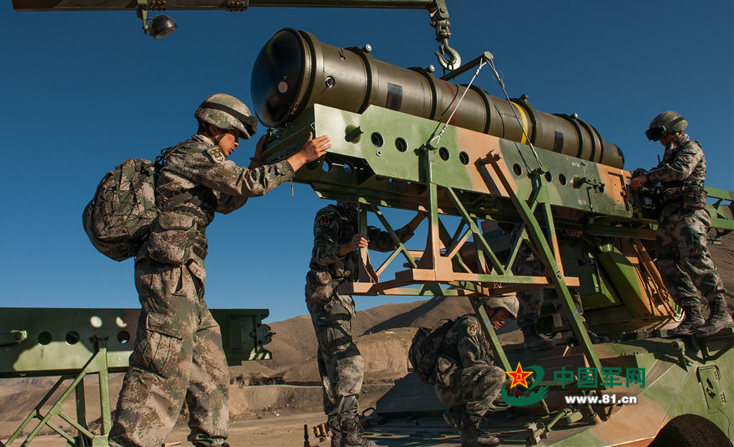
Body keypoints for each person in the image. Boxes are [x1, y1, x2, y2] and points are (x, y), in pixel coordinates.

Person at [109, 93, 331, 447]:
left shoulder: (199, 162)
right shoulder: (193, 152)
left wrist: (257, 160)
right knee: (162, 362)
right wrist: (300, 158)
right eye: (235, 135)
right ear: (215, 126)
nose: (237, 143)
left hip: (186, 279)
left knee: (210, 367)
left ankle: (211, 439)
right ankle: (133, 442)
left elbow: (228, 200)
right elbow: (246, 184)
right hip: (168, 274)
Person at [306, 202, 425, 447]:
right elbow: (320, 252)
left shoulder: (359, 222)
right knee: (349, 362)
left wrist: (420, 217)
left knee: (332, 366)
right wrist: (348, 246)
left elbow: (390, 241)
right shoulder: (331, 215)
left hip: (341, 294)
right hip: (326, 291)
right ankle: (348, 430)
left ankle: (340, 434)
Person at [629, 111, 732, 337]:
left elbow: (680, 171)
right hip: (669, 215)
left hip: (688, 213)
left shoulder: (690, 148)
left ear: (673, 130)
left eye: (661, 135)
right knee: (668, 266)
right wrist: (647, 178)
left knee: (696, 259)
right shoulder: (669, 154)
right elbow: (664, 179)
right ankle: (692, 315)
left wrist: (649, 177)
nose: (659, 140)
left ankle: (720, 311)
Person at [434, 296, 519, 447]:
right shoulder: (470, 325)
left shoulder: (486, 330)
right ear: (490, 309)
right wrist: (504, 381)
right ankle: (469, 431)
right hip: (450, 385)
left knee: (507, 397)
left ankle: (458, 413)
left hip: (464, 382)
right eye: (502, 315)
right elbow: (471, 362)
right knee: (497, 375)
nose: (503, 321)